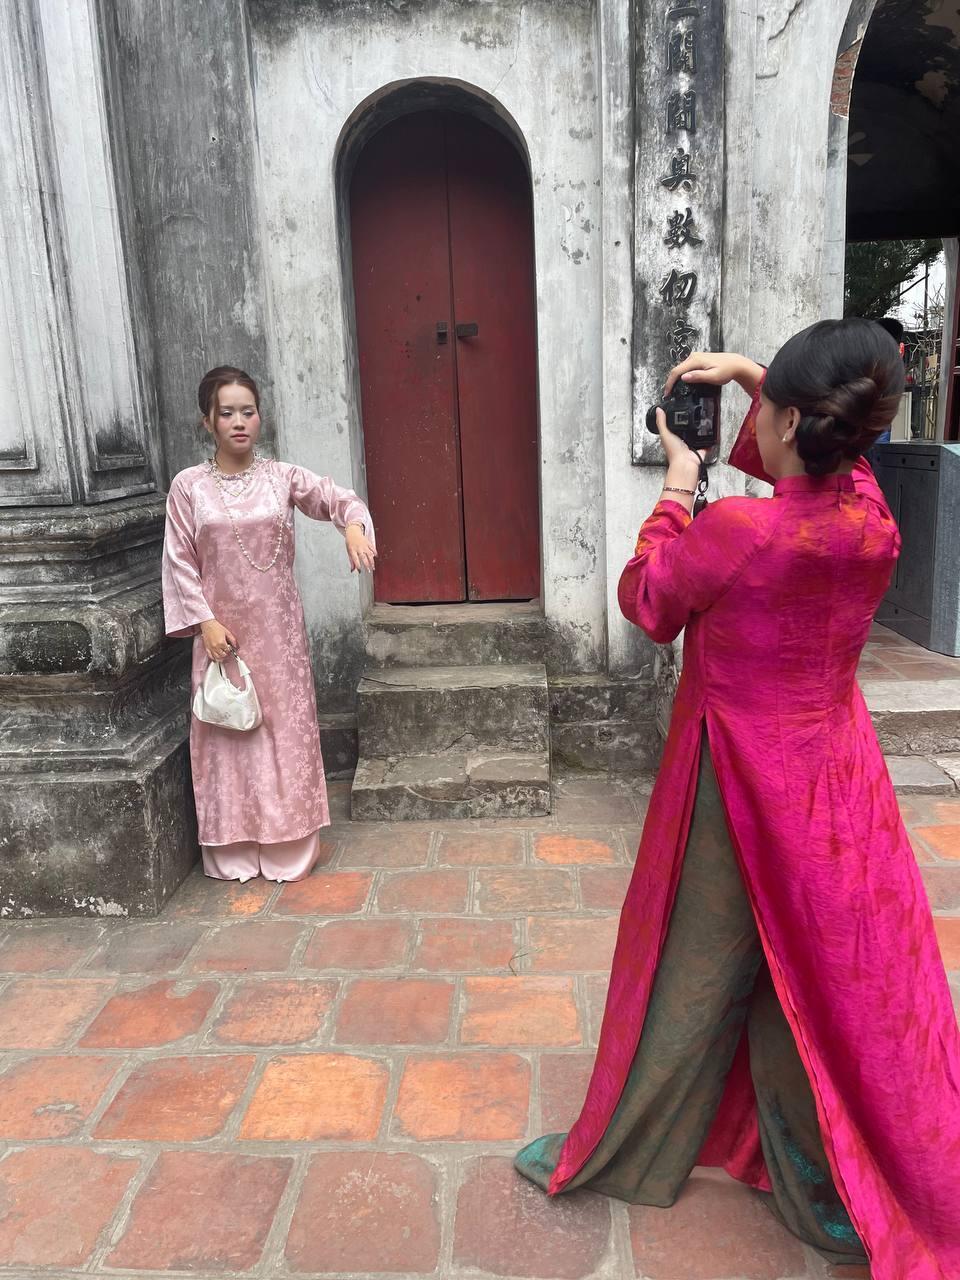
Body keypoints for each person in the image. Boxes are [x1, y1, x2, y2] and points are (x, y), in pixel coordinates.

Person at [515, 320, 960, 1279]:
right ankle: (828, 1176)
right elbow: (833, 470)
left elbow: (649, 602)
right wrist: (758, 373)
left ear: (796, 420)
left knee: (698, 964)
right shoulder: (873, 525)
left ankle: (632, 1147)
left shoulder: (738, 532)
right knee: (830, 980)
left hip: (741, 781)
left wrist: (677, 479)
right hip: (841, 787)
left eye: (771, 410)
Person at [161, 366, 376, 883]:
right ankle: (232, 850)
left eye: (248, 411)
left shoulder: (282, 477)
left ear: (260, 417)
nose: (240, 422)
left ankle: (289, 847)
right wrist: (205, 623)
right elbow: (179, 561)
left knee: (283, 733)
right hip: (221, 637)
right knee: (228, 732)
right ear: (206, 421)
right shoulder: (188, 487)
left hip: (279, 636)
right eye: (227, 412)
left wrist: (351, 526)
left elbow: (337, 498)